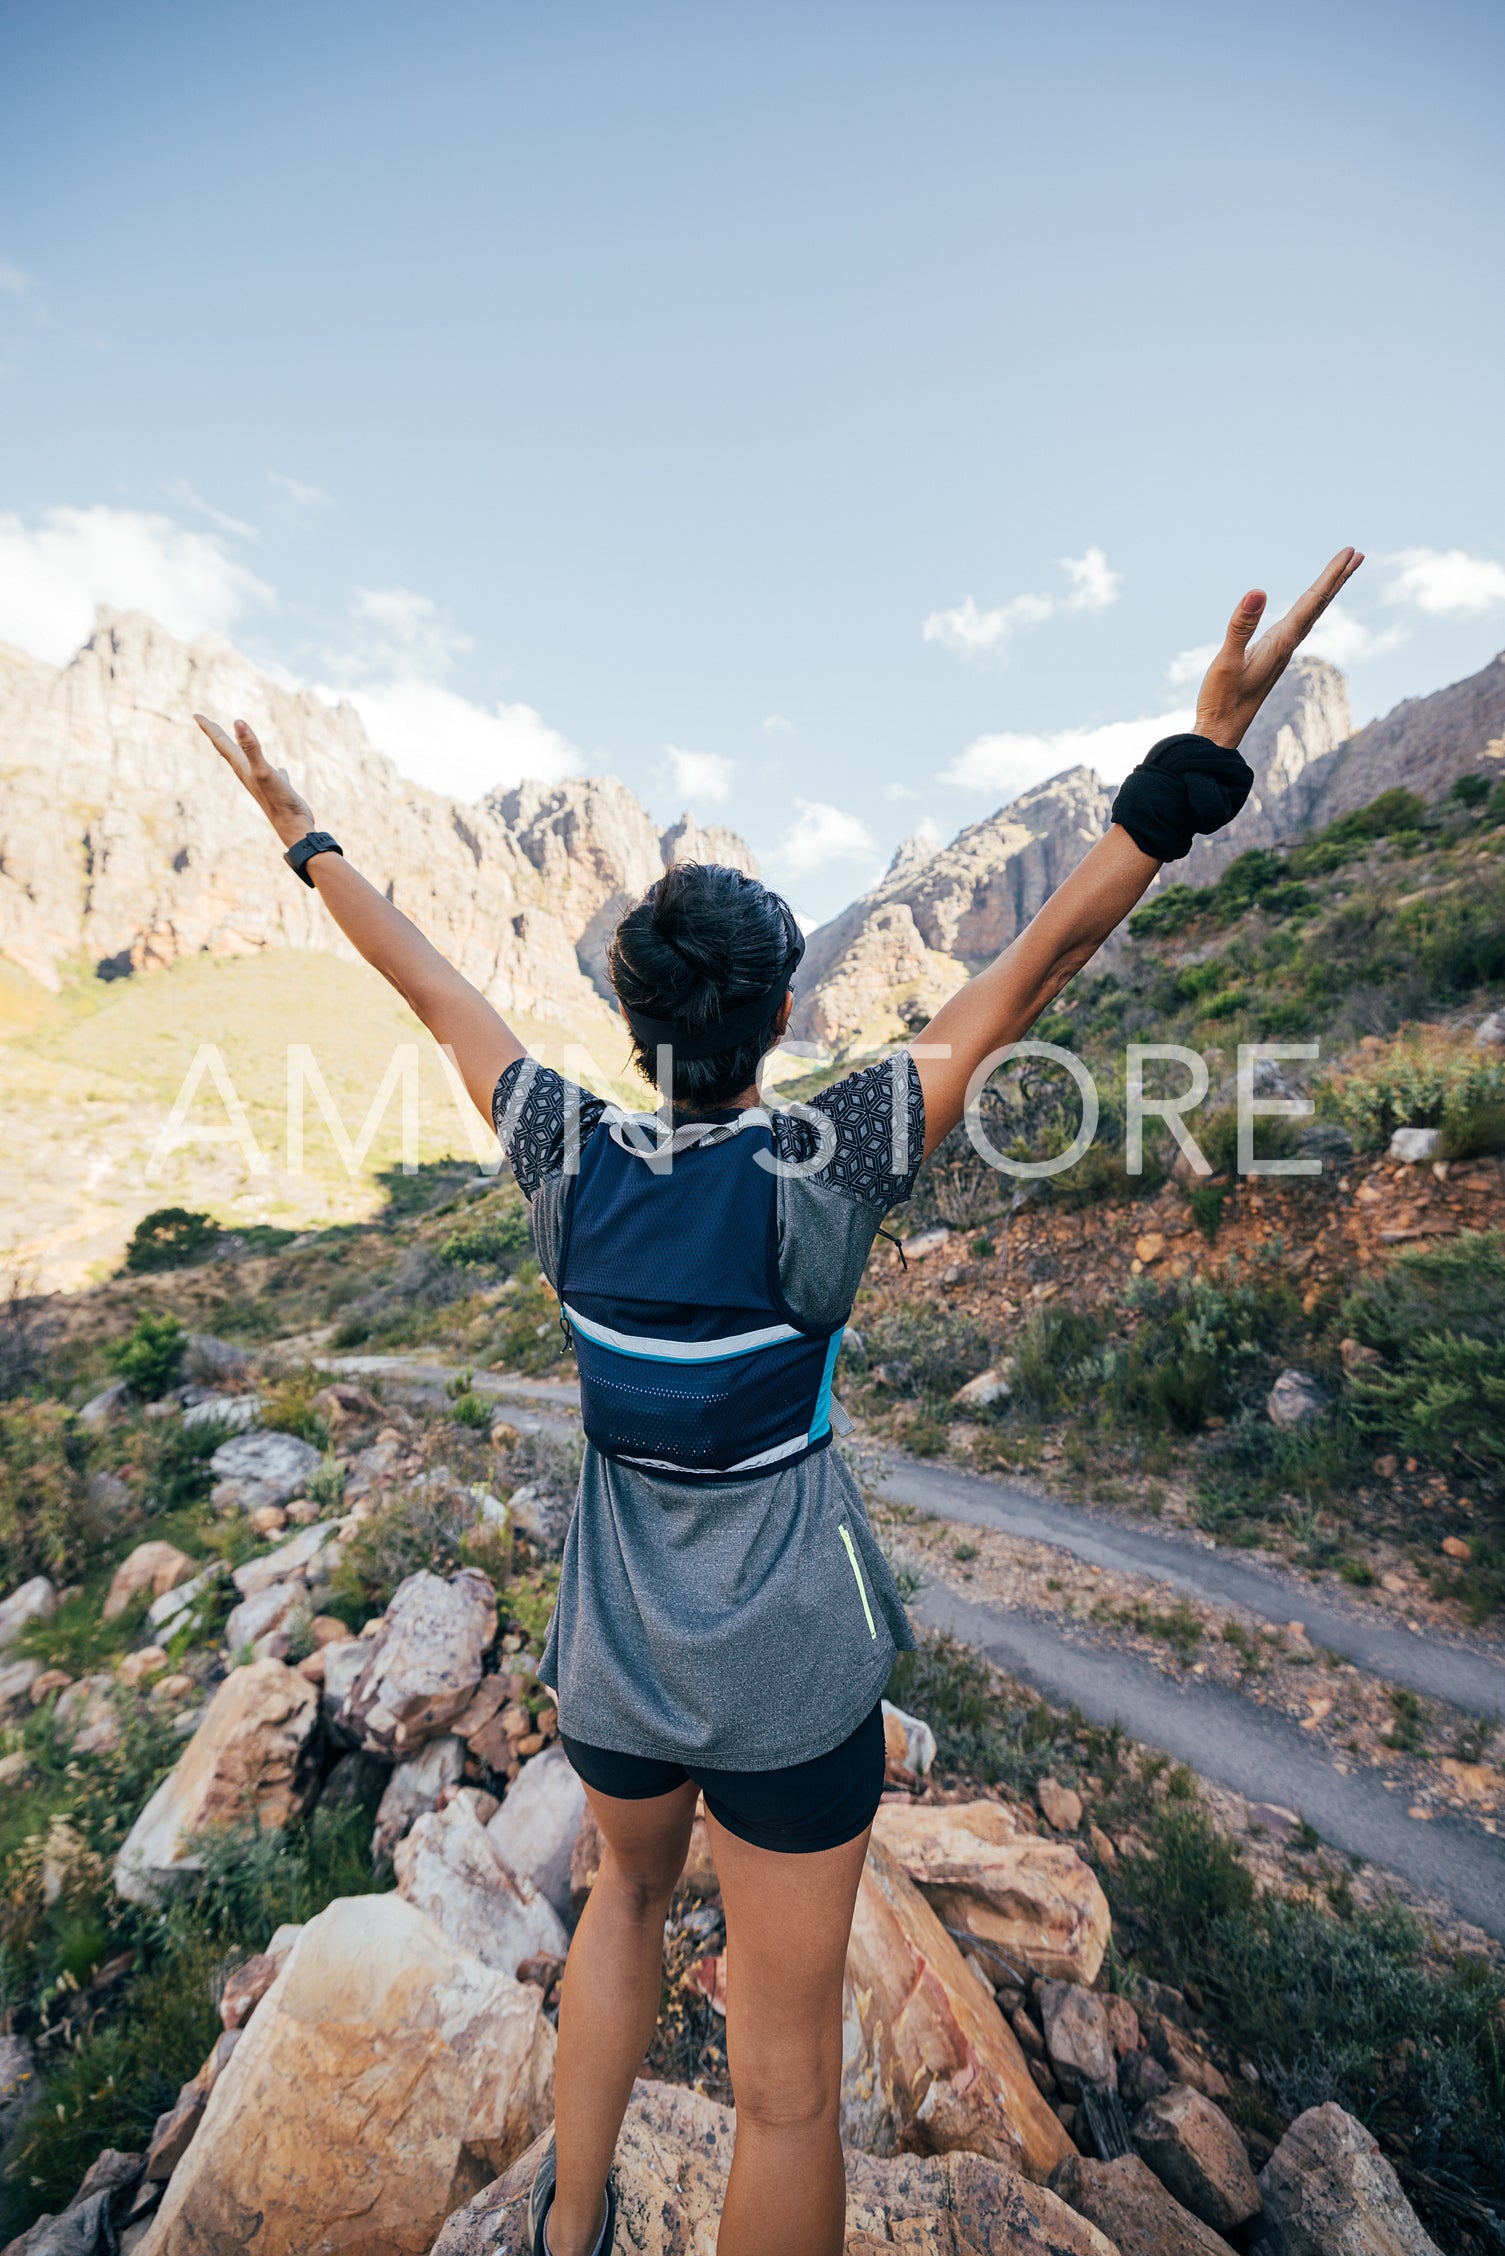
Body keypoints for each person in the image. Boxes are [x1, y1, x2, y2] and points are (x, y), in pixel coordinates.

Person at [196, 544, 1361, 2256]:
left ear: (626, 1016)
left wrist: (306, 833)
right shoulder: (827, 1162)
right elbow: (1038, 961)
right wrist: (1190, 767)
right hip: (789, 1682)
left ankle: (571, 2220)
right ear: (788, 1013)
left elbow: (429, 981)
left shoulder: (566, 1160)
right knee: (790, 2082)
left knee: (620, 1911)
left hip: (613, 1667)